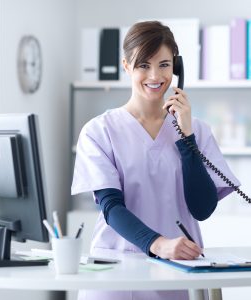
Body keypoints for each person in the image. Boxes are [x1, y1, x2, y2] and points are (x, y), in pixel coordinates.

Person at [71, 20, 240, 300]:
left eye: (163, 64)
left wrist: (186, 138)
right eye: (143, 65)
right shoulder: (99, 131)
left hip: (175, 272)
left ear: (176, 66)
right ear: (126, 66)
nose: (154, 75)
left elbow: (202, 208)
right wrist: (158, 244)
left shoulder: (196, 130)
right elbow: (111, 207)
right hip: (115, 273)